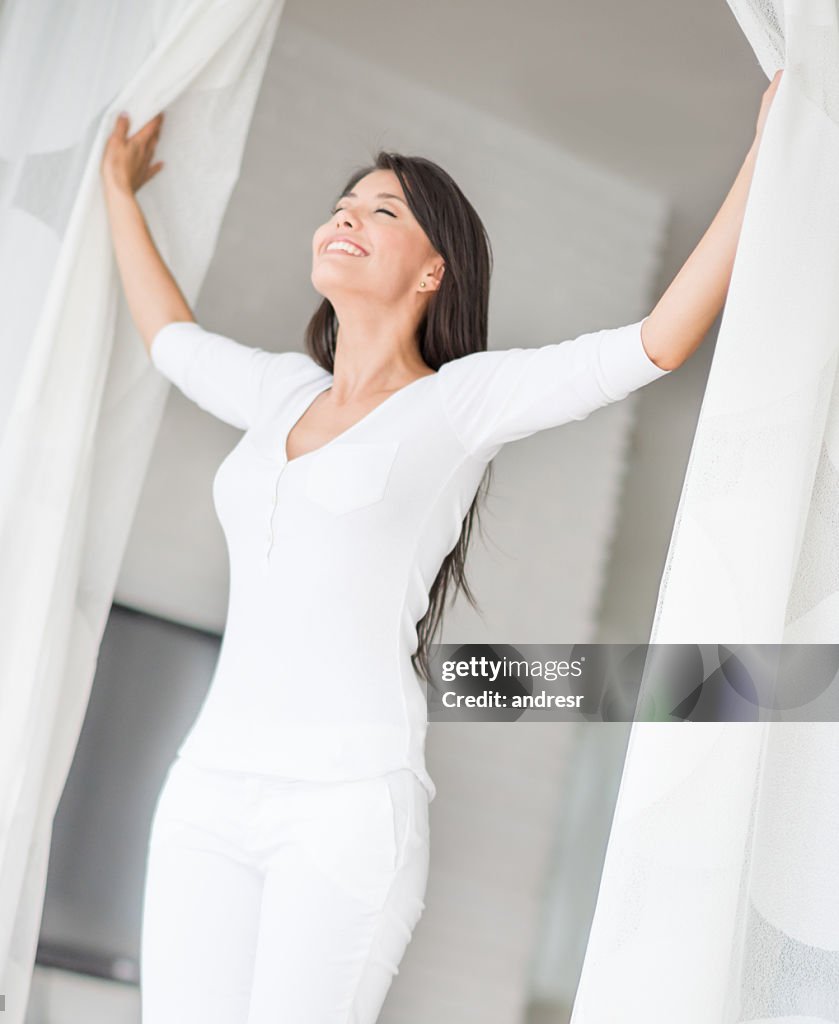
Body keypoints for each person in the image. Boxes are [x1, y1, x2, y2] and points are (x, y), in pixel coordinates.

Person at [100, 70, 781, 1024]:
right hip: (206, 788)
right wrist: (116, 193)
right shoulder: (279, 396)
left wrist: (765, 158)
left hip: (342, 809)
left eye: (381, 211)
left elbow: (653, 344)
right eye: (341, 205)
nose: (347, 217)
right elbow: (169, 335)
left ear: (432, 271)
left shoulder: (459, 406)